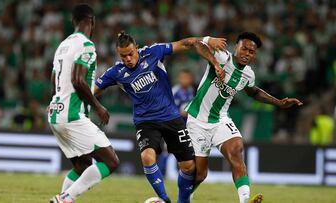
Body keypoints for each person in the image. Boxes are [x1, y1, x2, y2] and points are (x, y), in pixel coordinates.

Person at [94, 31, 226, 203]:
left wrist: (208, 40)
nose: (127, 59)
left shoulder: (153, 52)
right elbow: (93, 89)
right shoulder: (116, 72)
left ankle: (183, 201)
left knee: (188, 167)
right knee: (147, 157)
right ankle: (164, 199)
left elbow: (186, 43)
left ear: (138, 49)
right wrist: (91, 104)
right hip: (145, 121)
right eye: (123, 56)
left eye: (130, 54)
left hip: (171, 117)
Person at [185, 32, 303, 203]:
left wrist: (279, 103)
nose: (247, 54)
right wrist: (214, 62)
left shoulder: (248, 74)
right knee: (200, 174)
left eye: (251, 52)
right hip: (197, 121)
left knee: (237, 150)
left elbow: (253, 92)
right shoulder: (223, 57)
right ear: (236, 47)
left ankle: (245, 200)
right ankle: (185, 196)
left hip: (220, 119)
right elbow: (197, 44)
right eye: (244, 49)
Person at [48, 4, 119, 203]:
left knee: (82, 166)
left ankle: (63, 199)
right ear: (92, 22)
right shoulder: (86, 45)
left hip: (55, 113)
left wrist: (54, 100)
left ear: (73, 22)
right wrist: (98, 106)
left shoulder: (62, 45)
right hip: (72, 115)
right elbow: (78, 80)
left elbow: (54, 81)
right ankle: (65, 199)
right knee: (111, 161)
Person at [158, 69, 196, 175]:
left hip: (187, 126)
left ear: (191, 80)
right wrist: (179, 112)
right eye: (183, 77)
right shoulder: (174, 91)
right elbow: (165, 108)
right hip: (172, 125)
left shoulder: (192, 91)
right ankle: (161, 174)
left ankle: (186, 174)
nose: (185, 80)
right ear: (179, 79)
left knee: (188, 151)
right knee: (167, 150)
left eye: (187, 78)